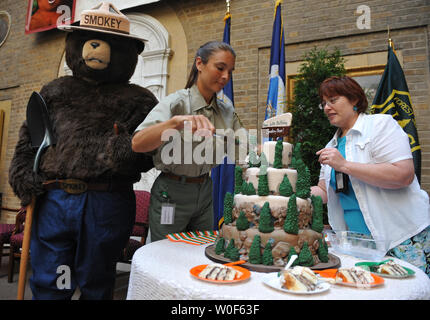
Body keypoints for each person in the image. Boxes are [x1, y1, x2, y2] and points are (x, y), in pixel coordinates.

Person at [311, 76, 430, 277]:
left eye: (333, 100)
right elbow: (323, 191)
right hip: (359, 246)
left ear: (354, 99)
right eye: (323, 103)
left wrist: (345, 165)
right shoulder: (331, 145)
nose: (326, 108)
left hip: (400, 239)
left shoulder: (379, 126)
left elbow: (404, 174)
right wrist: (289, 191)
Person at [132, 41, 246, 242]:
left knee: (200, 250)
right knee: (166, 255)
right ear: (200, 64)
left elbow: (244, 150)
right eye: (220, 68)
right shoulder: (176, 103)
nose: (226, 77)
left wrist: (269, 146)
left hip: (205, 192)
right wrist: (175, 123)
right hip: (172, 193)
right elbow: (138, 143)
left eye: (230, 71)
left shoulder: (227, 113)